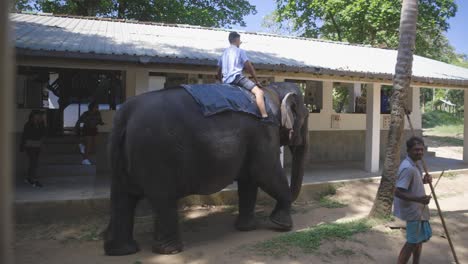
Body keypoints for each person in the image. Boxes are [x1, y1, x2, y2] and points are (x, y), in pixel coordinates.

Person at [394, 136, 433, 264]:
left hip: (418, 209)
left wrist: (424, 181)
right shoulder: (408, 168)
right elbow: (398, 191)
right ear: (409, 151)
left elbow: (411, 184)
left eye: (421, 150)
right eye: (416, 150)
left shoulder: (415, 164)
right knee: (411, 242)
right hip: (413, 211)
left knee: (418, 240)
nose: (420, 152)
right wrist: (419, 199)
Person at [217, 31, 268, 118]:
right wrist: (256, 81)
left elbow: (218, 71)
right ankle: (264, 115)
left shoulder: (224, 53)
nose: (240, 42)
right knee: (259, 92)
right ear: (236, 40)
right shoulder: (240, 51)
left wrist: (221, 81)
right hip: (237, 78)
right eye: (239, 40)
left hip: (226, 82)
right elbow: (249, 67)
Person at [20, 110, 47, 187]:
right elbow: (25, 136)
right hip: (30, 146)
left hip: (37, 145)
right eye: (37, 115)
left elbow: (43, 134)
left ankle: (29, 178)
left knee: (34, 163)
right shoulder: (28, 124)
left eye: (40, 116)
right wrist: (22, 146)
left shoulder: (41, 124)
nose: (39, 117)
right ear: (33, 116)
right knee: (34, 162)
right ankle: (33, 179)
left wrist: (43, 123)